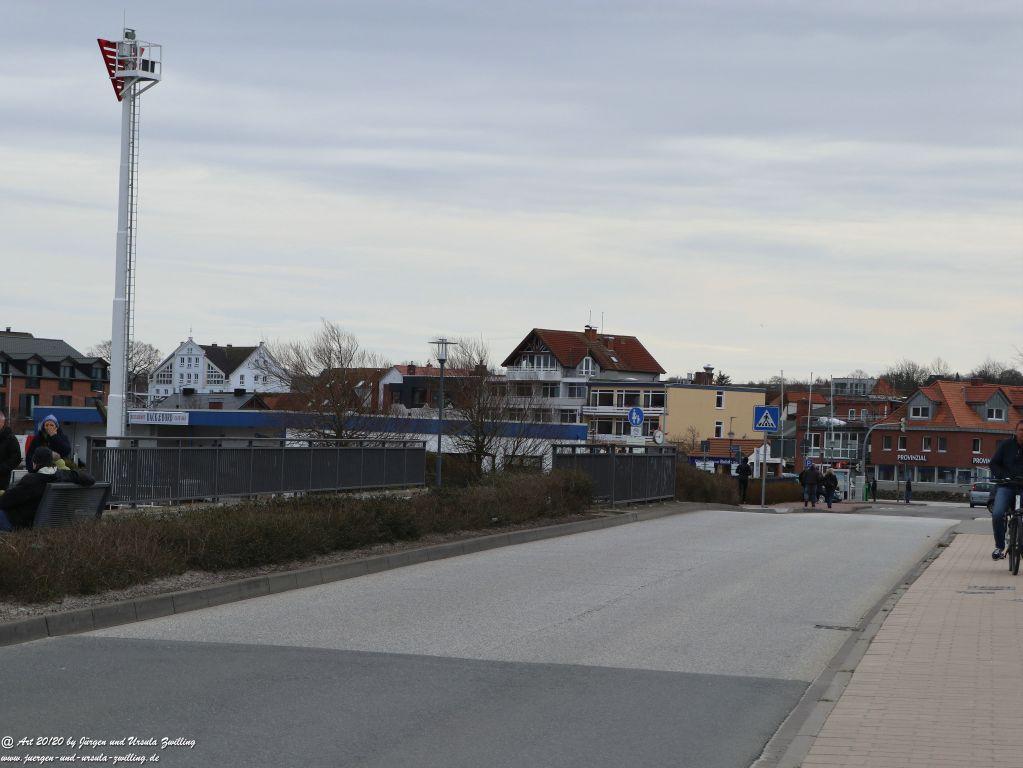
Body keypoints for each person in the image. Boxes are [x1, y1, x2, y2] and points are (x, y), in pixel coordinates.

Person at [0, 447, 95, 532]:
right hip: (50, 522)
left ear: (34, 463)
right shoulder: (63, 475)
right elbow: (90, 479)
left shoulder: (31, 481)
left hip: (24, 524)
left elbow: (4, 501)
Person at [989, 419, 1023, 561]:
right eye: (1021, 430)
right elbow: (994, 463)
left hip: (1022, 488)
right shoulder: (1006, 445)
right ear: (1016, 431)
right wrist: (1004, 476)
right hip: (1006, 486)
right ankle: (999, 546)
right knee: (997, 514)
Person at [0, 409, 21, 491]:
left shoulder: (10, 438)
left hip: (2, 480)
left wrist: (2, 468)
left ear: (2, 422)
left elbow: (16, 458)